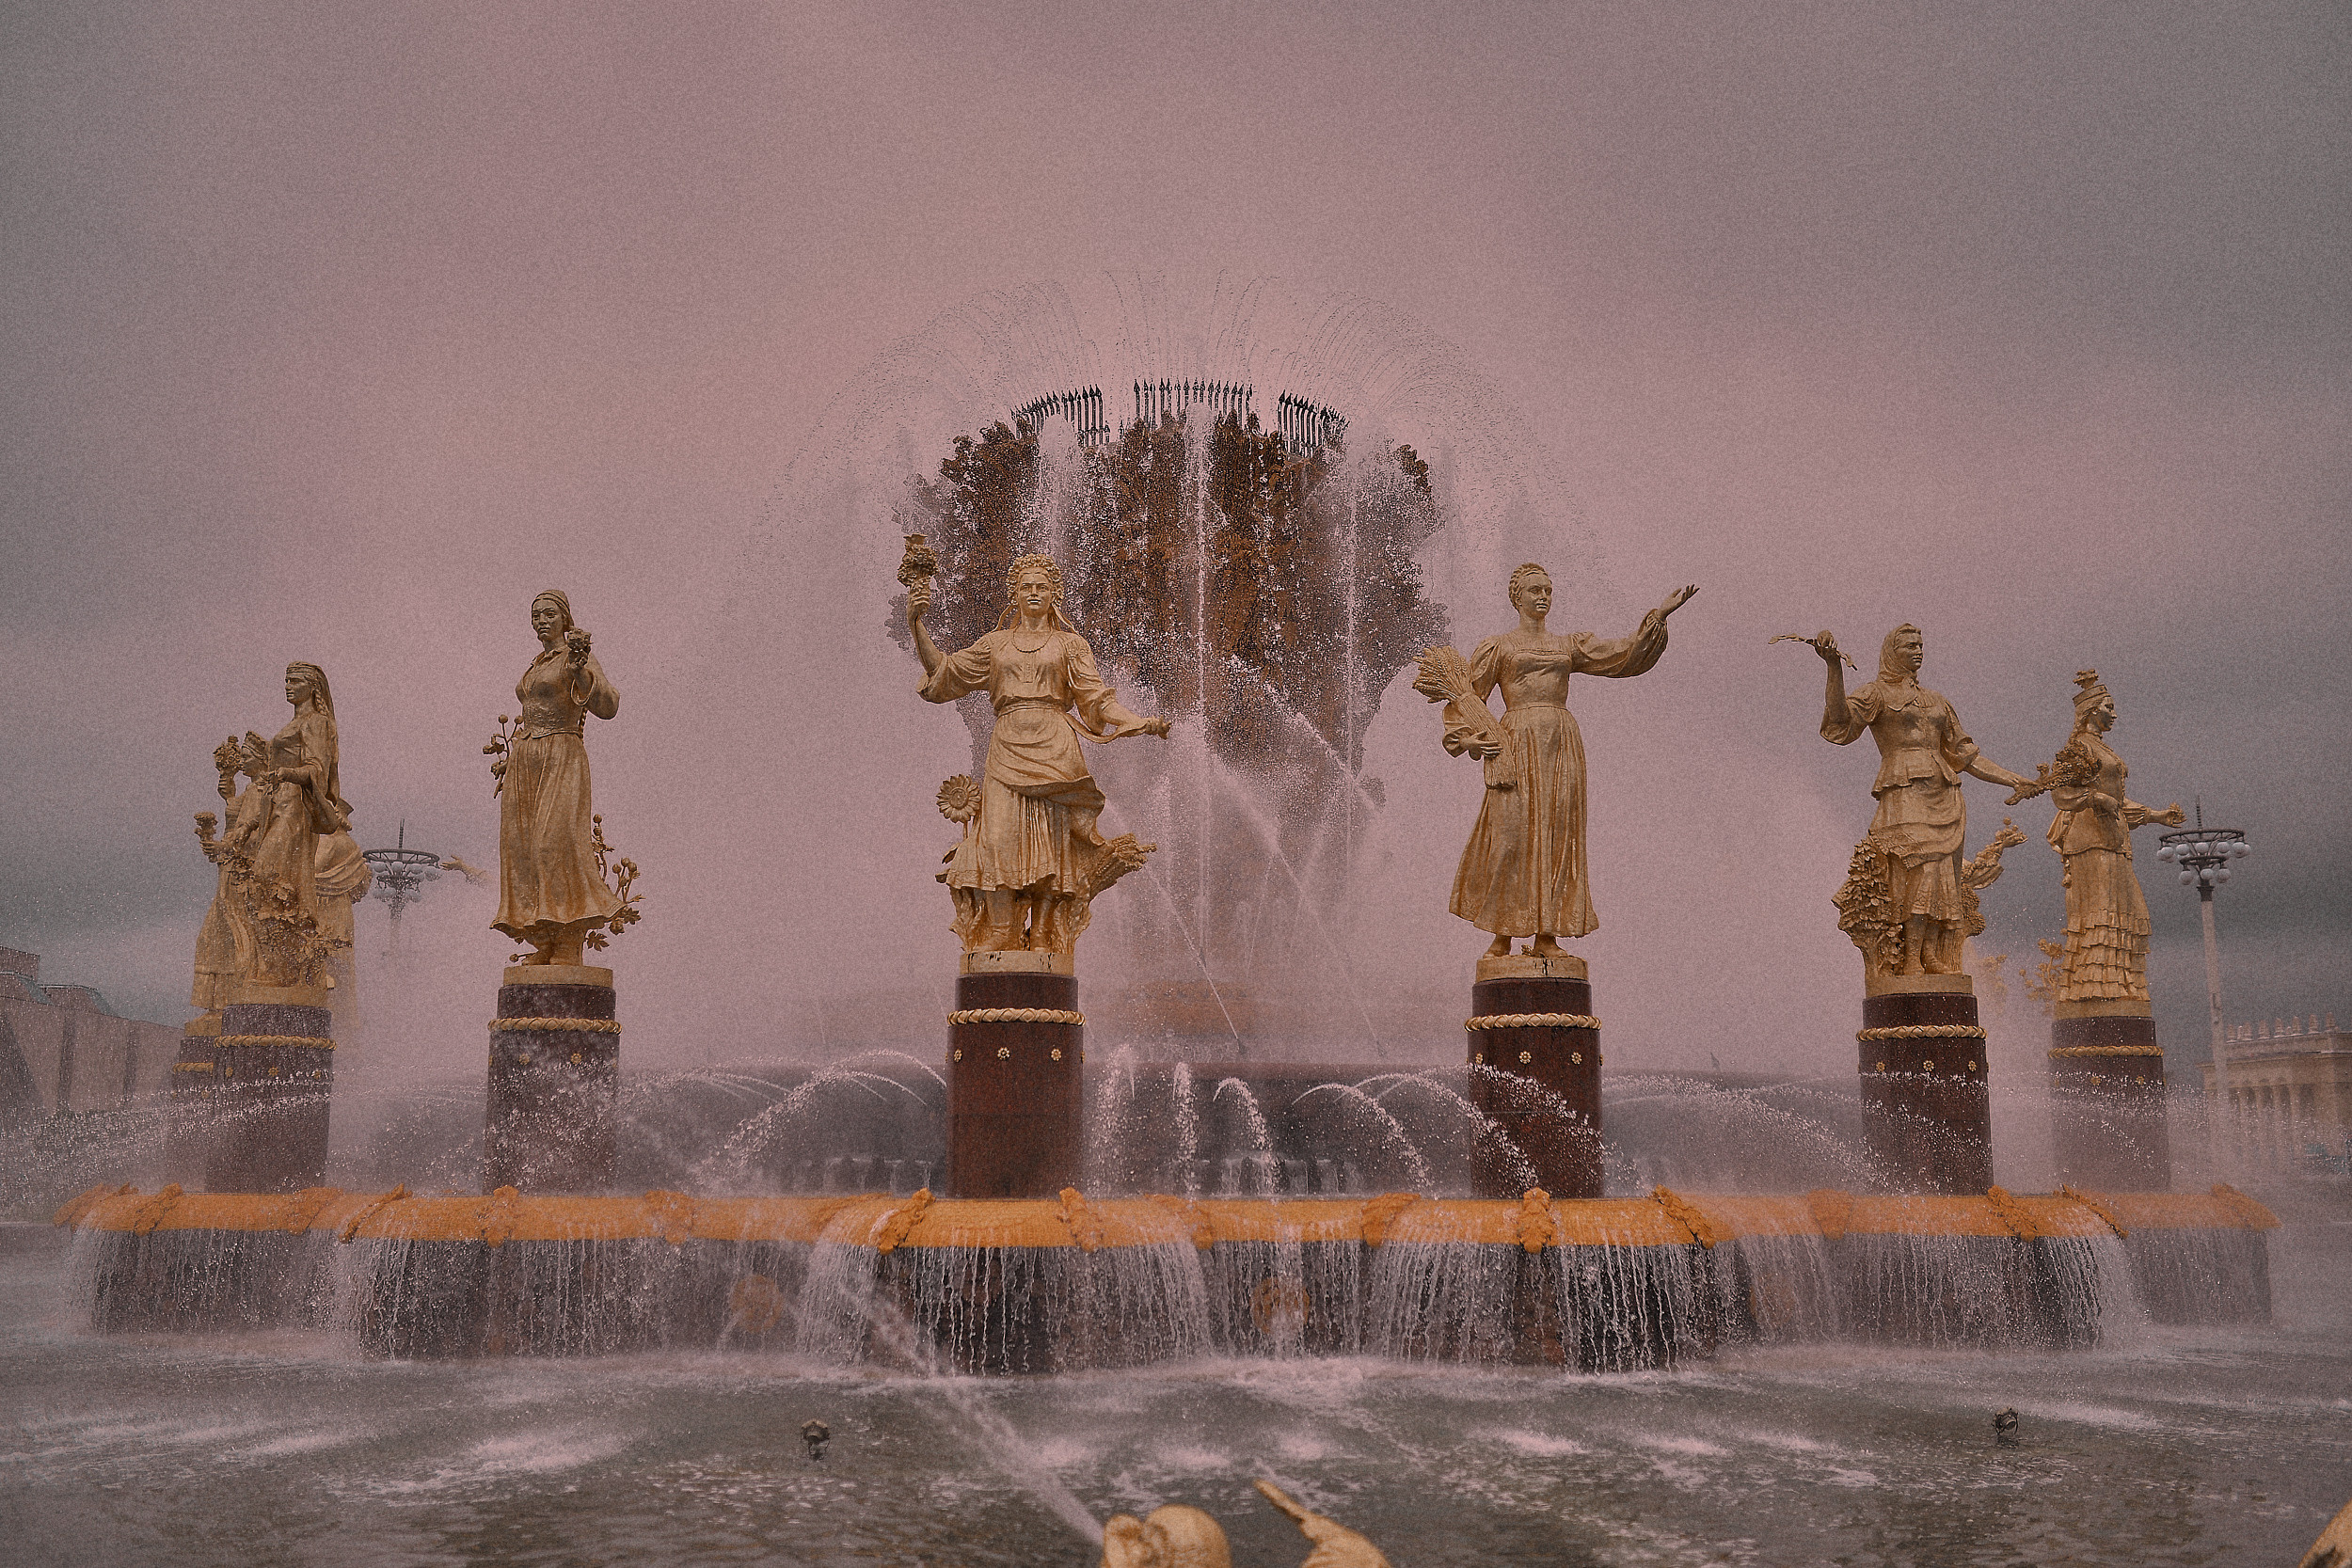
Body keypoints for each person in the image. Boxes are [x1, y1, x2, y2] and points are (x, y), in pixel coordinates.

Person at [909, 552, 1168, 954]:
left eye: (1041, 587)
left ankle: (1047, 927)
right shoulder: (995, 644)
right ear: (1014, 595)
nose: (1033, 592)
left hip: (1055, 743)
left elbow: (1095, 699)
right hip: (1007, 743)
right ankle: (1000, 928)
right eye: (1026, 587)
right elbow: (945, 674)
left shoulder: (1070, 644)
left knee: (1053, 842)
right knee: (996, 839)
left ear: (1054, 595)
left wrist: (1134, 719)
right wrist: (917, 624)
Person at [1440, 563, 1696, 959]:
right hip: (1515, 744)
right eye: (1535, 590)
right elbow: (1466, 697)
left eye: (1548, 590)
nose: (1543, 597)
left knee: (1558, 837)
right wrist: (1473, 738)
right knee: (1510, 836)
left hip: (1560, 744)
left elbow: (1622, 656)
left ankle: (1546, 936)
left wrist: (1657, 617)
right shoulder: (1499, 647)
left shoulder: (1568, 645)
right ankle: (1501, 936)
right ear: (1517, 598)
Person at [1814, 624, 2033, 975]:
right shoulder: (1875, 695)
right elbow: (1839, 725)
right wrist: (1832, 667)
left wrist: (2013, 780)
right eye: (1910, 646)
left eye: (1921, 645)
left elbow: (1967, 756)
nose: (1918, 651)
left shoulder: (1937, 701)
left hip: (1943, 795)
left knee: (1940, 875)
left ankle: (1929, 954)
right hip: (1902, 795)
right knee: (1914, 871)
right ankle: (1909, 958)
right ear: (1892, 651)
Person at [493, 590, 621, 966]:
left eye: (550, 614)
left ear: (565, 620)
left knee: (554, 845)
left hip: (562, 755)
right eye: (536, 615)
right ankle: (545, 941)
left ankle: (569, 941)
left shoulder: (576, 658)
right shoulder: (535, 664)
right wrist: (511, 758)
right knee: (524, 850)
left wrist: (581, 671)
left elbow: (609, 706)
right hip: (526, 761)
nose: (542, 620)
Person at [2042, 670, 2182, 1002]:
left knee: (2127, 910)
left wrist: (2156, 816)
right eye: (2109, 707)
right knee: (2099, 911)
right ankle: (2093, 987)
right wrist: (2093, 798)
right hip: (2089, 841)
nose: (2115, 714)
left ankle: (2121, 982)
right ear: (2091, 711)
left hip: (2114, 840)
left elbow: (2117, 801)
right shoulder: (2076, 748)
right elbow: (2060, 792)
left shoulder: (2102, 749)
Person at [217, 662, 352, 989]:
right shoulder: (296, 722)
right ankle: (278, 965)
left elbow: (317, 770)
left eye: (295, 681)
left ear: (312, 687)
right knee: (271, 881)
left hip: (295, 809)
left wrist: (285, 773)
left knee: (269, 875)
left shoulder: (317, 722)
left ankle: (290, 960)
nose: (288, 687)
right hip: (275, 806)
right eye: (286, 681)